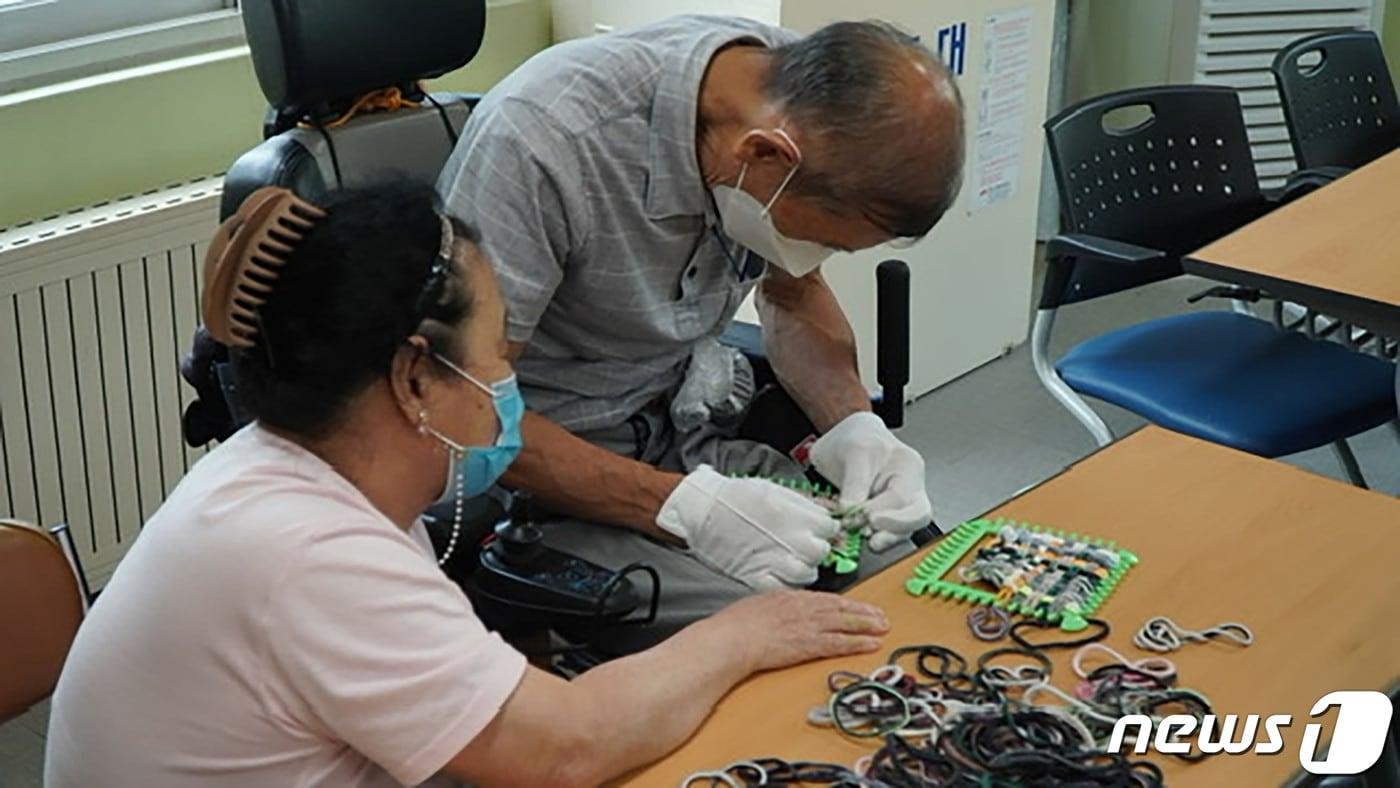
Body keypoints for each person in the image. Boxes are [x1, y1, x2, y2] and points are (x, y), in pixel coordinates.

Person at [44, 184, 889, 788]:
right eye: (498, 353)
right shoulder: (305, 552)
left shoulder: (298, 477)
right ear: (415, 376)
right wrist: (749, 630)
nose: (508, 380)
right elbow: (564, 750)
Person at [437, 15, 966, 650]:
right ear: (762, 154)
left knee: (911, 581)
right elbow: (464, 411)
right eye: (821, 240)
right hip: (543, 479)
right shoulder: (546, 140)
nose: (812, 256)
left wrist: (854, 424)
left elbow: (795, 293)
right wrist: (683, 510)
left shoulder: (793, 90)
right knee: (798, 637)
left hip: (686, 431)